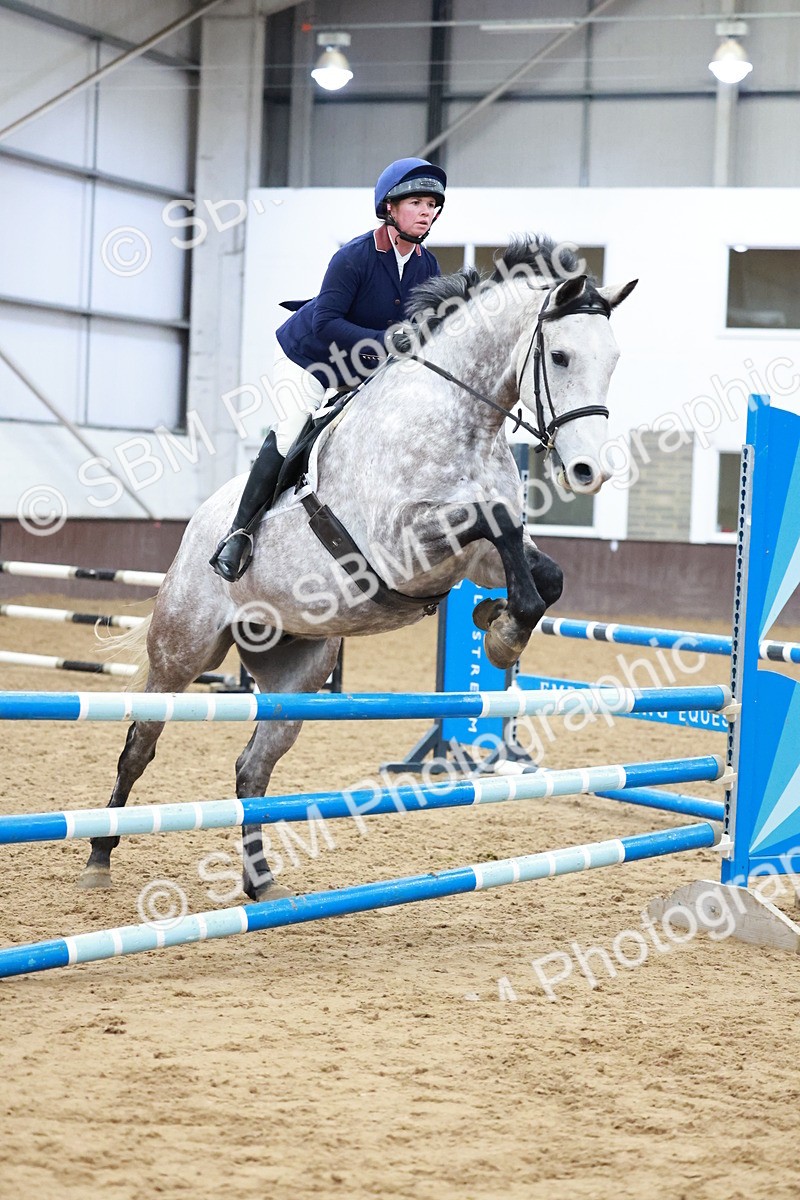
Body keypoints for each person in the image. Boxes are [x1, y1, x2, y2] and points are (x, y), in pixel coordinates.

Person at [209, 157, 447, 582]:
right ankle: (238, 534)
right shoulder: (353, 258)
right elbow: (327, 323)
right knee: (290, 434)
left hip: (366, 369)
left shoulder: (427, 265)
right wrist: (387, 343)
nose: (427, 211)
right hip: (312, 359)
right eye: (416, 202)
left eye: (432, 203)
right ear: (389, 208)